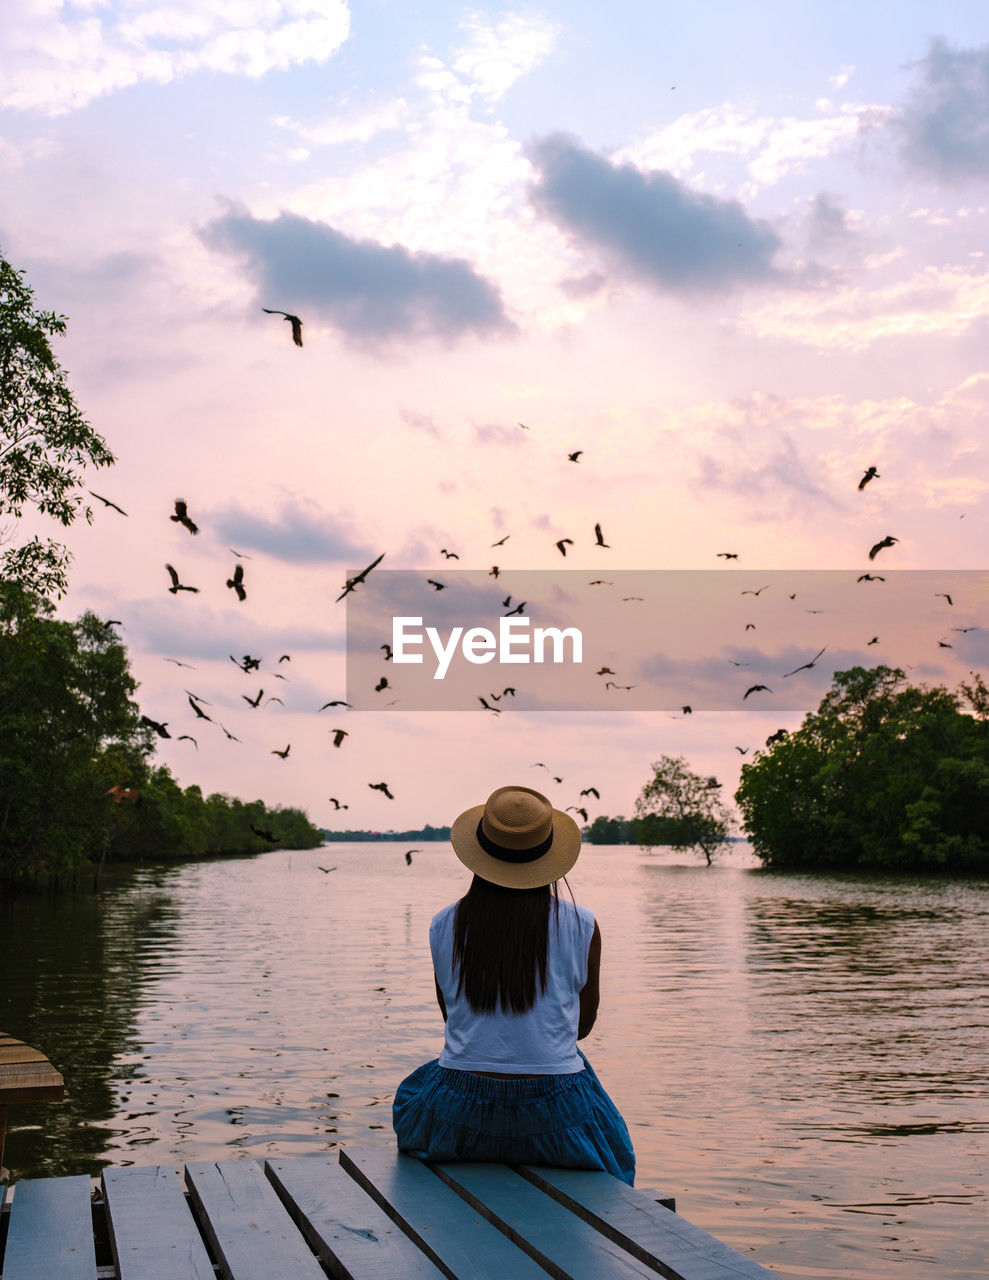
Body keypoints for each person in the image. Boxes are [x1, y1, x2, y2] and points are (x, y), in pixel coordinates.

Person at [392, 784, 635, 1184]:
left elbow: (451, 1016)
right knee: (599, 1112)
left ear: (479, 854)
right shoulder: (583, 926)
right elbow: (580, 1029)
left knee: (414, 1092)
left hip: (457, 1117)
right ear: (548, 858)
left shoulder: (443, 924)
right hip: (556, 1119)